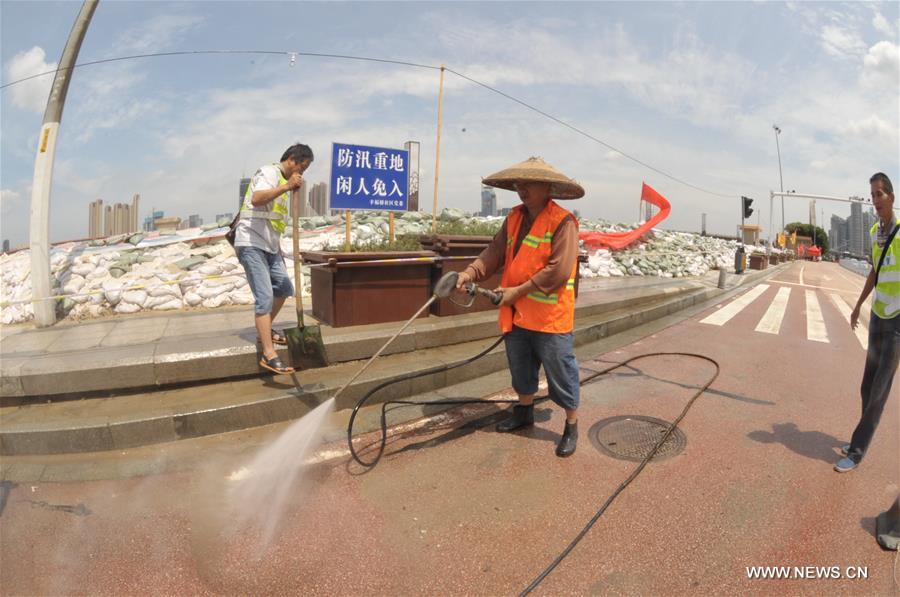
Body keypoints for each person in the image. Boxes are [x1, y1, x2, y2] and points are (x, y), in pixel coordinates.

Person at [456, 157, 583, 457]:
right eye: (518, 184)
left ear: (547, 187)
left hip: (550, 319)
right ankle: (524, 412)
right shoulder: (513, 218)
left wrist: (517, 292)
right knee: (521, 370)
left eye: (528, 183)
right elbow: (494, 252)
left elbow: (559, 271)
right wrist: (469, 273)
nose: (520, 189)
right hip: (517, 315)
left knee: (561, 373)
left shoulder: (564, 222)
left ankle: (571, 425)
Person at [836, 172, 899, 472]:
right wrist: (858, 305)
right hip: (877, 317)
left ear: (892, 197)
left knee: (879, 390)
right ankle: (861, 436)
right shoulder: (876, 233)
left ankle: (857, 450)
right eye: (872, 195)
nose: (875, 200)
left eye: (879, 194)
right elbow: (874, 272)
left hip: (897, 325)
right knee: (866, 387)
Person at [234, 143, 313, 375]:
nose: (302, 172)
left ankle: (265, 329)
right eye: (302, 166)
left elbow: (274, 220)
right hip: (250, 242)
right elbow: (257, 199)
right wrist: (287, 186)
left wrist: (278, 247)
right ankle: (268, 354)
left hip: (270, 246)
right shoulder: (268, 172)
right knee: (265, 296)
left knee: (284, 287)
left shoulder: (285, 183)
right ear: (291, 159)